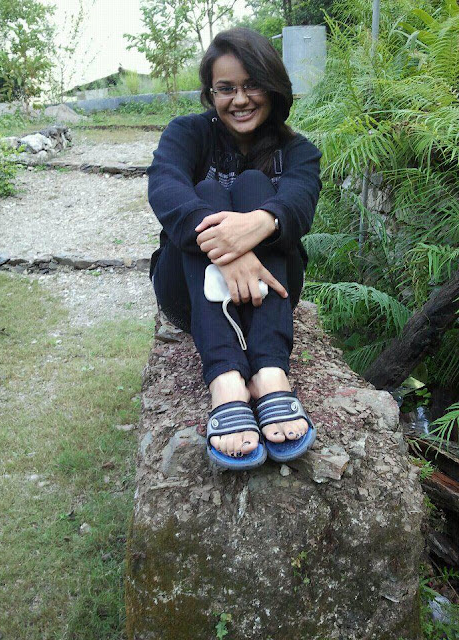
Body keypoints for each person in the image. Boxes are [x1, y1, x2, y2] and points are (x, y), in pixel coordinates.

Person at [148, 27, 322, 470]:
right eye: (226, 88)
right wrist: (233, 247)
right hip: (188, 291)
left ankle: (269, 373)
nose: (240, 100)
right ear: (211, 93)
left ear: (273, 87)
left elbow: (298, 204)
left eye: (252, 85)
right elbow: (165, 187)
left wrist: (257, 226)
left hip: (270, 289)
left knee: (257, 186)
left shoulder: (298, 151)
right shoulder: (187, 133)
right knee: (203, 192)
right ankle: (225, 378)